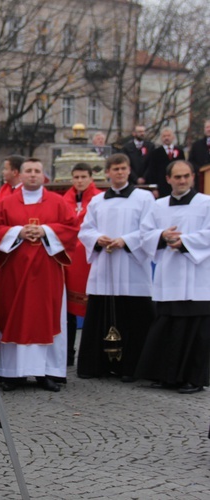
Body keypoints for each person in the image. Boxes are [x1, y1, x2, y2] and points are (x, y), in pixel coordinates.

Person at [0, 158, 78, 392]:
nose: (33, 175)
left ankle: (46, 373)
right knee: (14, 317)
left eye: (37, 171)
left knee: (46, 318)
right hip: (14, 273)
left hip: (47, 273)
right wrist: (17, 232)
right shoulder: (5, 204)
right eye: (28, 171)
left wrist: (46, 231)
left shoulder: (58, 203)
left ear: (43, 176)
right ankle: (12, 373)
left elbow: (72, 228)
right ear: (21, 175)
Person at [77, 153, 155, 381]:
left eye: (123, 168)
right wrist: (98, 238)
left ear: (129, 170)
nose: (119, 172)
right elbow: (85, 229)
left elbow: (149, 229)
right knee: (100, 316)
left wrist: (126, 240)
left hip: (132, 268)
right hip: (105, 266)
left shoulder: (144, 198)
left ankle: (133, 368)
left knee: (137, 318)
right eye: (115, 169)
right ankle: (95, 366)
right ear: (107, 173)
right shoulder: (97, 201)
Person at [136, 160, 210, 394]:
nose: (182, 181)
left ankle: (193, 379)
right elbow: (144, 234)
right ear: (168, 179)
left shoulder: (206, 203)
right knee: (168, 327)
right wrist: (162, 235)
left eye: (186, 176)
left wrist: (184, 242)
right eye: (177, 177)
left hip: (196, 276)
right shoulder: (158, 206)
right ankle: (166, 375)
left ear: (192, 177)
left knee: (196, 332)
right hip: (168, 274)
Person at [61, 163, 102, 367]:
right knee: (67, 310)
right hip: (67, 260)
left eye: (83, 177)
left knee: (92, 308)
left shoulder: (100, 199)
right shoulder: (63, 200)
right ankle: (68, 353)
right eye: (76, 177)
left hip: (88, 260)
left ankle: (93, 353)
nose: (79, 181)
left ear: (90, 177)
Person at [145, 128, 185, 198]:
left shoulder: (179, 152)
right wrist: (154, 189)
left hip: (176, 186)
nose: (166, 138)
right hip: (161, 187)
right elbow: (152, 171)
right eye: (164, 136)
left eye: (168, 136)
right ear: (161, 138)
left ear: (173, 137)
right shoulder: (155, 153)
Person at [188, 120, 210, 190]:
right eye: (207, 127)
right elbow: (191, 161)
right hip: (199, 179)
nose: (209, 129)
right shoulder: (197, 145)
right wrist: (199, 169)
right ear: (204, 129)